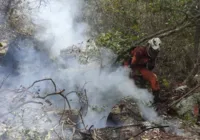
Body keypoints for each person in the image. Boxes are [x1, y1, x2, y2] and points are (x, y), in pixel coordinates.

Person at [123, 37, 163, 103]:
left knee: (153, 77)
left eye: (155, 51)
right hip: (129, 66)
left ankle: (156, 98)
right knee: (138, 81)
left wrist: (150, 65)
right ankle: (134, 98)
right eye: (153, 50)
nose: (154, 52)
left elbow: (151, 67)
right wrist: (133, 74)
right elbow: (132, 64)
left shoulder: (154, 54)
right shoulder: (139, 51)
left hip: (140, 67)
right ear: (149, 46)